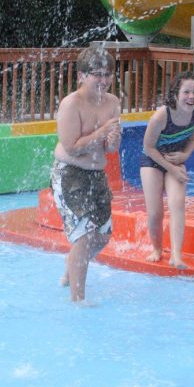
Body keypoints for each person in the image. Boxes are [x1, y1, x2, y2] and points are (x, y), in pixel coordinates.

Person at [51, 46, 122, 302]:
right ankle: (77, 299)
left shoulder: (112, 102)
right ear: (81, 76)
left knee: (102, 235)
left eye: (108, 74)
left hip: (96, 174)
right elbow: (72, 147)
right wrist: (104, 130)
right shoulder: (71, 104)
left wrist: (112, 138)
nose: (104, 80)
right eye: (97, 74)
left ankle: (73, 265)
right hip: (69, 175)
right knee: (85, 233)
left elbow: (110, 148)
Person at [140, 71, 194, 269]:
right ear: (176, 93)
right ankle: (157, 249)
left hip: (176, 160)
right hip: (152, 160)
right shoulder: (161, 116)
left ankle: (176, 255)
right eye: (186, 92)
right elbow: (148, 147)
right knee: (155, 213)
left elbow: (193, 140)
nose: (192, 97)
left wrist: (185, 157)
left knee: (177, 204)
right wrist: (171, 168)